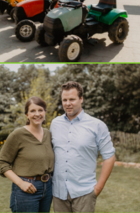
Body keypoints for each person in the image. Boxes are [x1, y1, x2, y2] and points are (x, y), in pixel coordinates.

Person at [50, 81, 116, 213]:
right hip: (58, 193)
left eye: (72, 99)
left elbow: (109, 157)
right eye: (65, 100)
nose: (68, 103)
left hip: (84, 193)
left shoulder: (97, 125)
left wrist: (97, 189)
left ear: (81, 99)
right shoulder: (55, 123)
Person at [0, 96, 54, 212]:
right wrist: (21, 183)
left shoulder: (48, 134)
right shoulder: (18, 135)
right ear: (27, 115)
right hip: (26, 190)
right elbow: (2, 163)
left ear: (45, 112)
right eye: (32, 111)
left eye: (40, 110)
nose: (37, 114)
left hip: (47, 188)